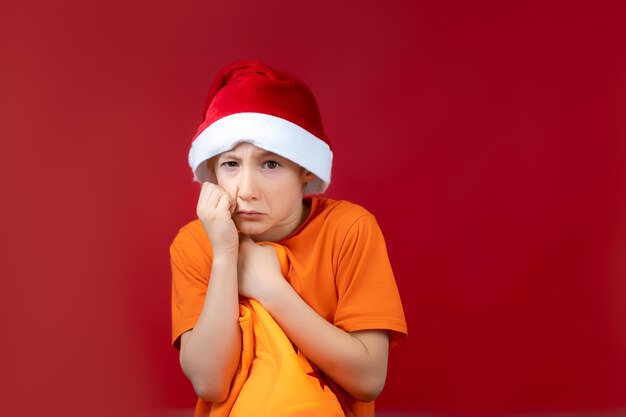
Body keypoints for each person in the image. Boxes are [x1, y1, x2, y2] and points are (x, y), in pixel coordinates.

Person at [170, 60, 407, 417]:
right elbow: (209, 383)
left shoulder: (350, 229)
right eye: (231, 165)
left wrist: (270, 289)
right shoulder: (195, 244)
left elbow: (368, 377)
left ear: (305, 169)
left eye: (270, 165)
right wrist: (224, 257)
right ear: (212, 171)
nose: (246, 191)